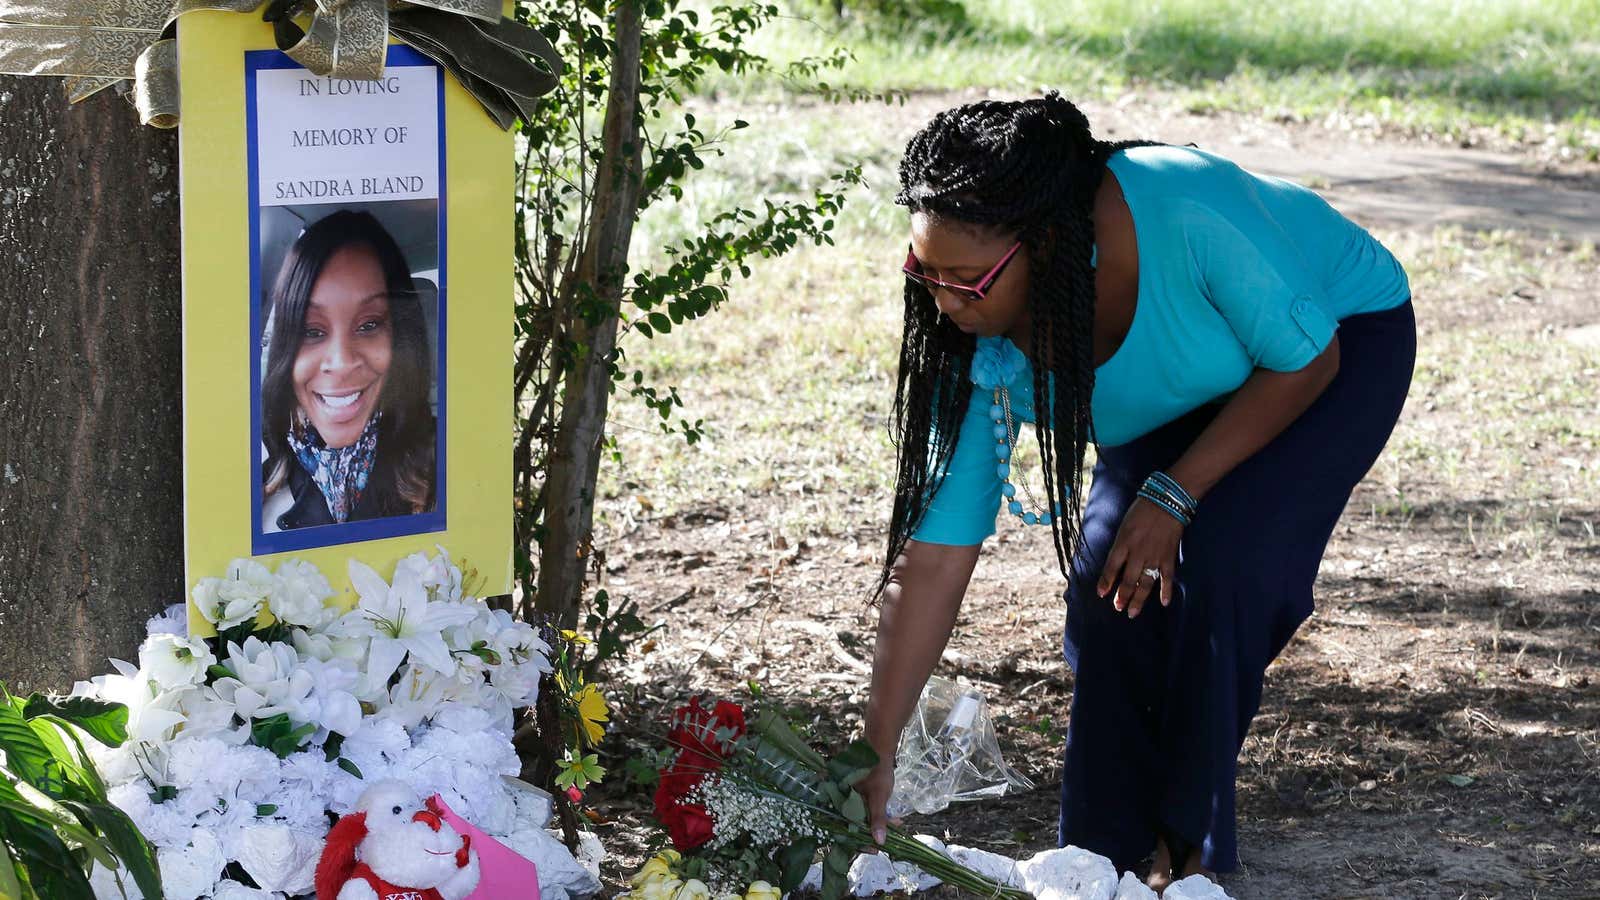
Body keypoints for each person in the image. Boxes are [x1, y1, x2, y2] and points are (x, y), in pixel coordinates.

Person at [859, 92, 1415, 892]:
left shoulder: (1184, 205)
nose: (943, 302)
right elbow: (935, 555)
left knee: (1222, 564)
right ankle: (1098, 858)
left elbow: (1306, 360)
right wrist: (873, 752)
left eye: (967, 281)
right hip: (1191, 387)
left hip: (1330, 345)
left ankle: (1190, 852)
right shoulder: (976, 338)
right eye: (924, 272)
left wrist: (1174, 493)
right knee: (1110, 581)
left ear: (1046, 245)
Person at [260, 209, 437, 532]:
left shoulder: (450, 466)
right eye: (312, 331)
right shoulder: (256, 489)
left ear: (401, 336)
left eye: (369, 324)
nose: (341, 362)